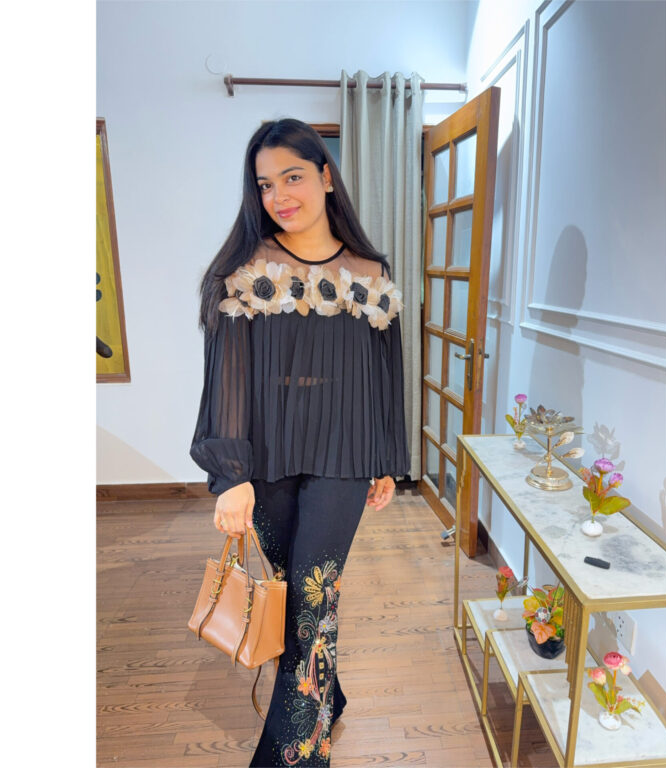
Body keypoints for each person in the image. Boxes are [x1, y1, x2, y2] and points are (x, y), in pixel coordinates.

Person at [190, 118, 411, 767]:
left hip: (344, 458)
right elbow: (227, 377)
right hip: (268, 460)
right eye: (265, 184)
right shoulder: (245, 271)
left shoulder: (369, 272)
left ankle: (294, 757)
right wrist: (232, 474)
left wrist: (385, 458)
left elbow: (383, 372)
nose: (279, 195)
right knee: (294, 598)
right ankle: (327, 697)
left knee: (314, 600)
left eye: (292, 177)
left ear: (325, 176)